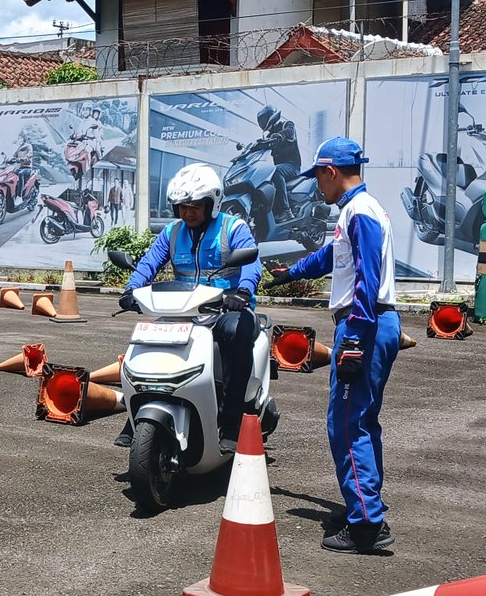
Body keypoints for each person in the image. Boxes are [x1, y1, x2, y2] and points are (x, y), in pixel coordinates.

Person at [270, 137, 399, 555]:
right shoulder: (359, 210)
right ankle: (367, 507)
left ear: (330, 172)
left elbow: (366, 278)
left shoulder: (360, 213)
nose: (316, 188)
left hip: (366, 323)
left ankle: (366, 526)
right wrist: (289, 273)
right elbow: (330, 258)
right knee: (362, 421)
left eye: (318, 179)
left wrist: (355, 341)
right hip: (375, 322)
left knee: (346, 425)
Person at [117, 162, 262, 455]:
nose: (188, 212)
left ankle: (233, 419)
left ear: (212, 203)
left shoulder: (233, 227)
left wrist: (243, 292)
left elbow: (251, 263)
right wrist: (131, 289)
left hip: (226, 308)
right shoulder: (172, 232)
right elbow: (149, 262)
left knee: (236, 332)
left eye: (195, 206)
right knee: (147, 337)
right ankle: (137, 416)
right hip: (183, 309)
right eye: (182, 206)